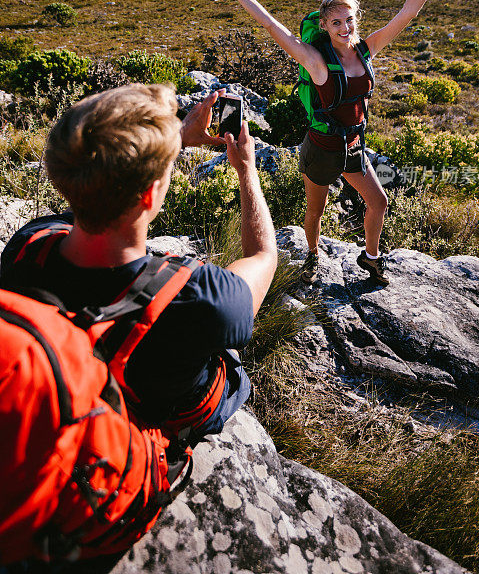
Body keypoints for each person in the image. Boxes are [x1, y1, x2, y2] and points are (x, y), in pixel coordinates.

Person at [195, 0, 479, 285]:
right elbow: (272, 26)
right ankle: (313, 255)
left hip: (352, 145)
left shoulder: (366, 50)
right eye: (336, 22)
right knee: (316, 211)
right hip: (321, 147)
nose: (345, 27)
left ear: (355, 19)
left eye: (349, 20)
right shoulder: (316, 62)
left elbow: (407, 12)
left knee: (378, 202)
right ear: (326, 26)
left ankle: (372, 258)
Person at [0, 83, 278, 448]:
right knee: (228, 348)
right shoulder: (204, 299)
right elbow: (263, 256)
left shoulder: (30, 243)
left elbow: (97, 183)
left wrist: (172, 140)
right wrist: (246, 170)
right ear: (150, 193)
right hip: (156, 432)